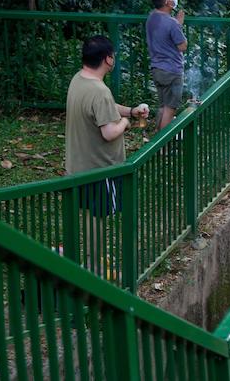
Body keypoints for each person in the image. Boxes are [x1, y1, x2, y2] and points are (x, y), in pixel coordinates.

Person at [65, 35, 149, 277]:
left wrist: (131, 111)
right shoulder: (99, 91)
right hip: (99, 168)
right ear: (108, 59)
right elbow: (109, 131)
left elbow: (106, 107)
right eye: (113, 55)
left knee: (90, 216)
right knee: (97, 218)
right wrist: (124, 122)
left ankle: (92, 260)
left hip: (78, 164)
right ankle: (94, 268)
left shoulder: (79, 80)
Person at [146, 0, 188, 130]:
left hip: (157, 69)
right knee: (170, 109)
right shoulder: (172, 24)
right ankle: (162, 145)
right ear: (167, 2)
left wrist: (176, 25)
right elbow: (182, 46)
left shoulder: (151, 17)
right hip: (172, 72)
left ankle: (157, 138)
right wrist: (179, 26)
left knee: (163, 106)